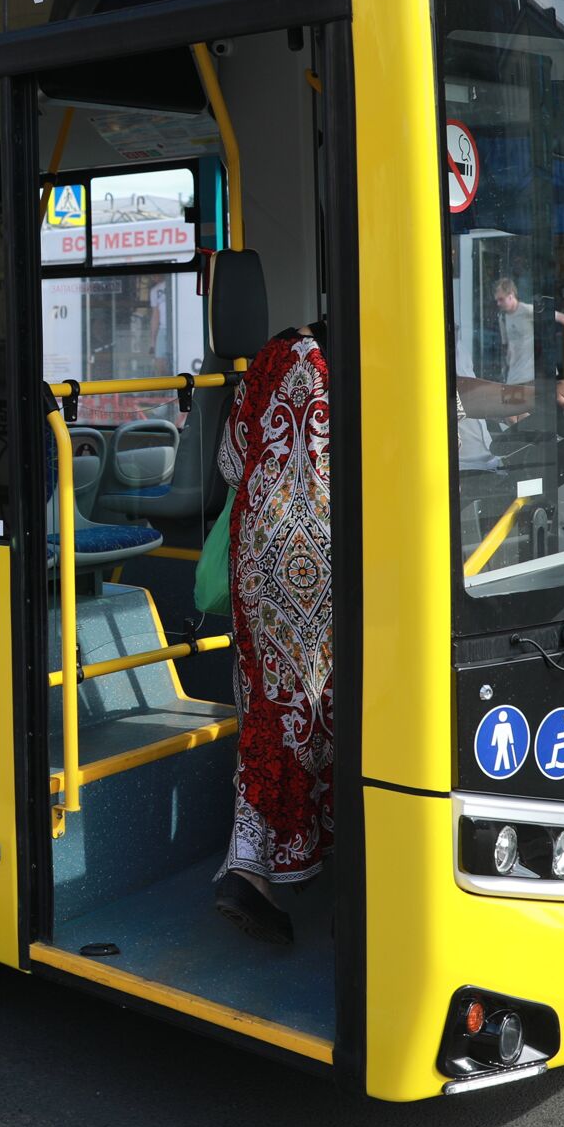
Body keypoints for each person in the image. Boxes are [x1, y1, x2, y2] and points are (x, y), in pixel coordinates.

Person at [212, 322, 332, 945]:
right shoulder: (364, 364)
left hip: (258, 549)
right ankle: (263, 866)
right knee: (315, 712)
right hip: (324, 556)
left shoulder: (273, 353)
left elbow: (231, 460)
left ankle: (255, 862)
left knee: (270, 707)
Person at [490, 275, 564, 386]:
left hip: (531, 375)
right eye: (497, 300)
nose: (498, 303)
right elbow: (506, 345)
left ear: (511, 296)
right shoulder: (503, 317)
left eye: (501, 299)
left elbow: (560, 317)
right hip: (513, 376)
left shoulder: (527, 310)